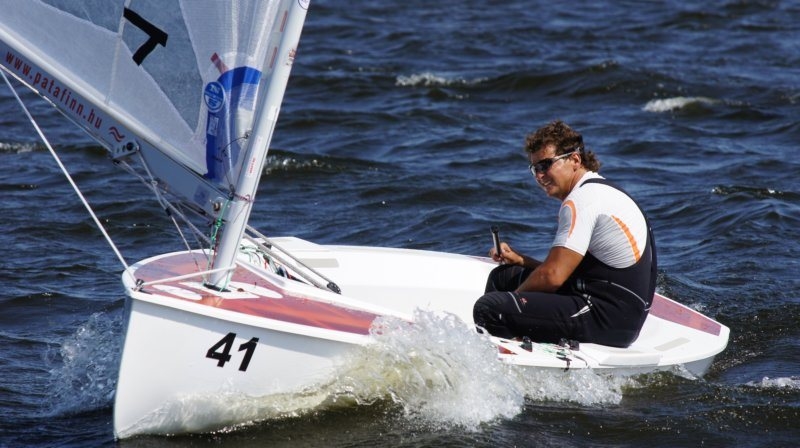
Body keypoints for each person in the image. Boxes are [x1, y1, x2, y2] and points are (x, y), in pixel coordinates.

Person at [473, 120, 657, 348]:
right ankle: (510, 342)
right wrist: (522, 261)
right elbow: (570, 273)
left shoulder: (582, 200)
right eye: (535, 169)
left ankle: (509, 357)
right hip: (619, 316)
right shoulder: (600, 190)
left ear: (575, 160)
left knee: (490, 309)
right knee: (502, 277)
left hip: (605, 319)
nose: (539, 176)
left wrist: (511, 307)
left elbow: (553, 277)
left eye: (546, 165)